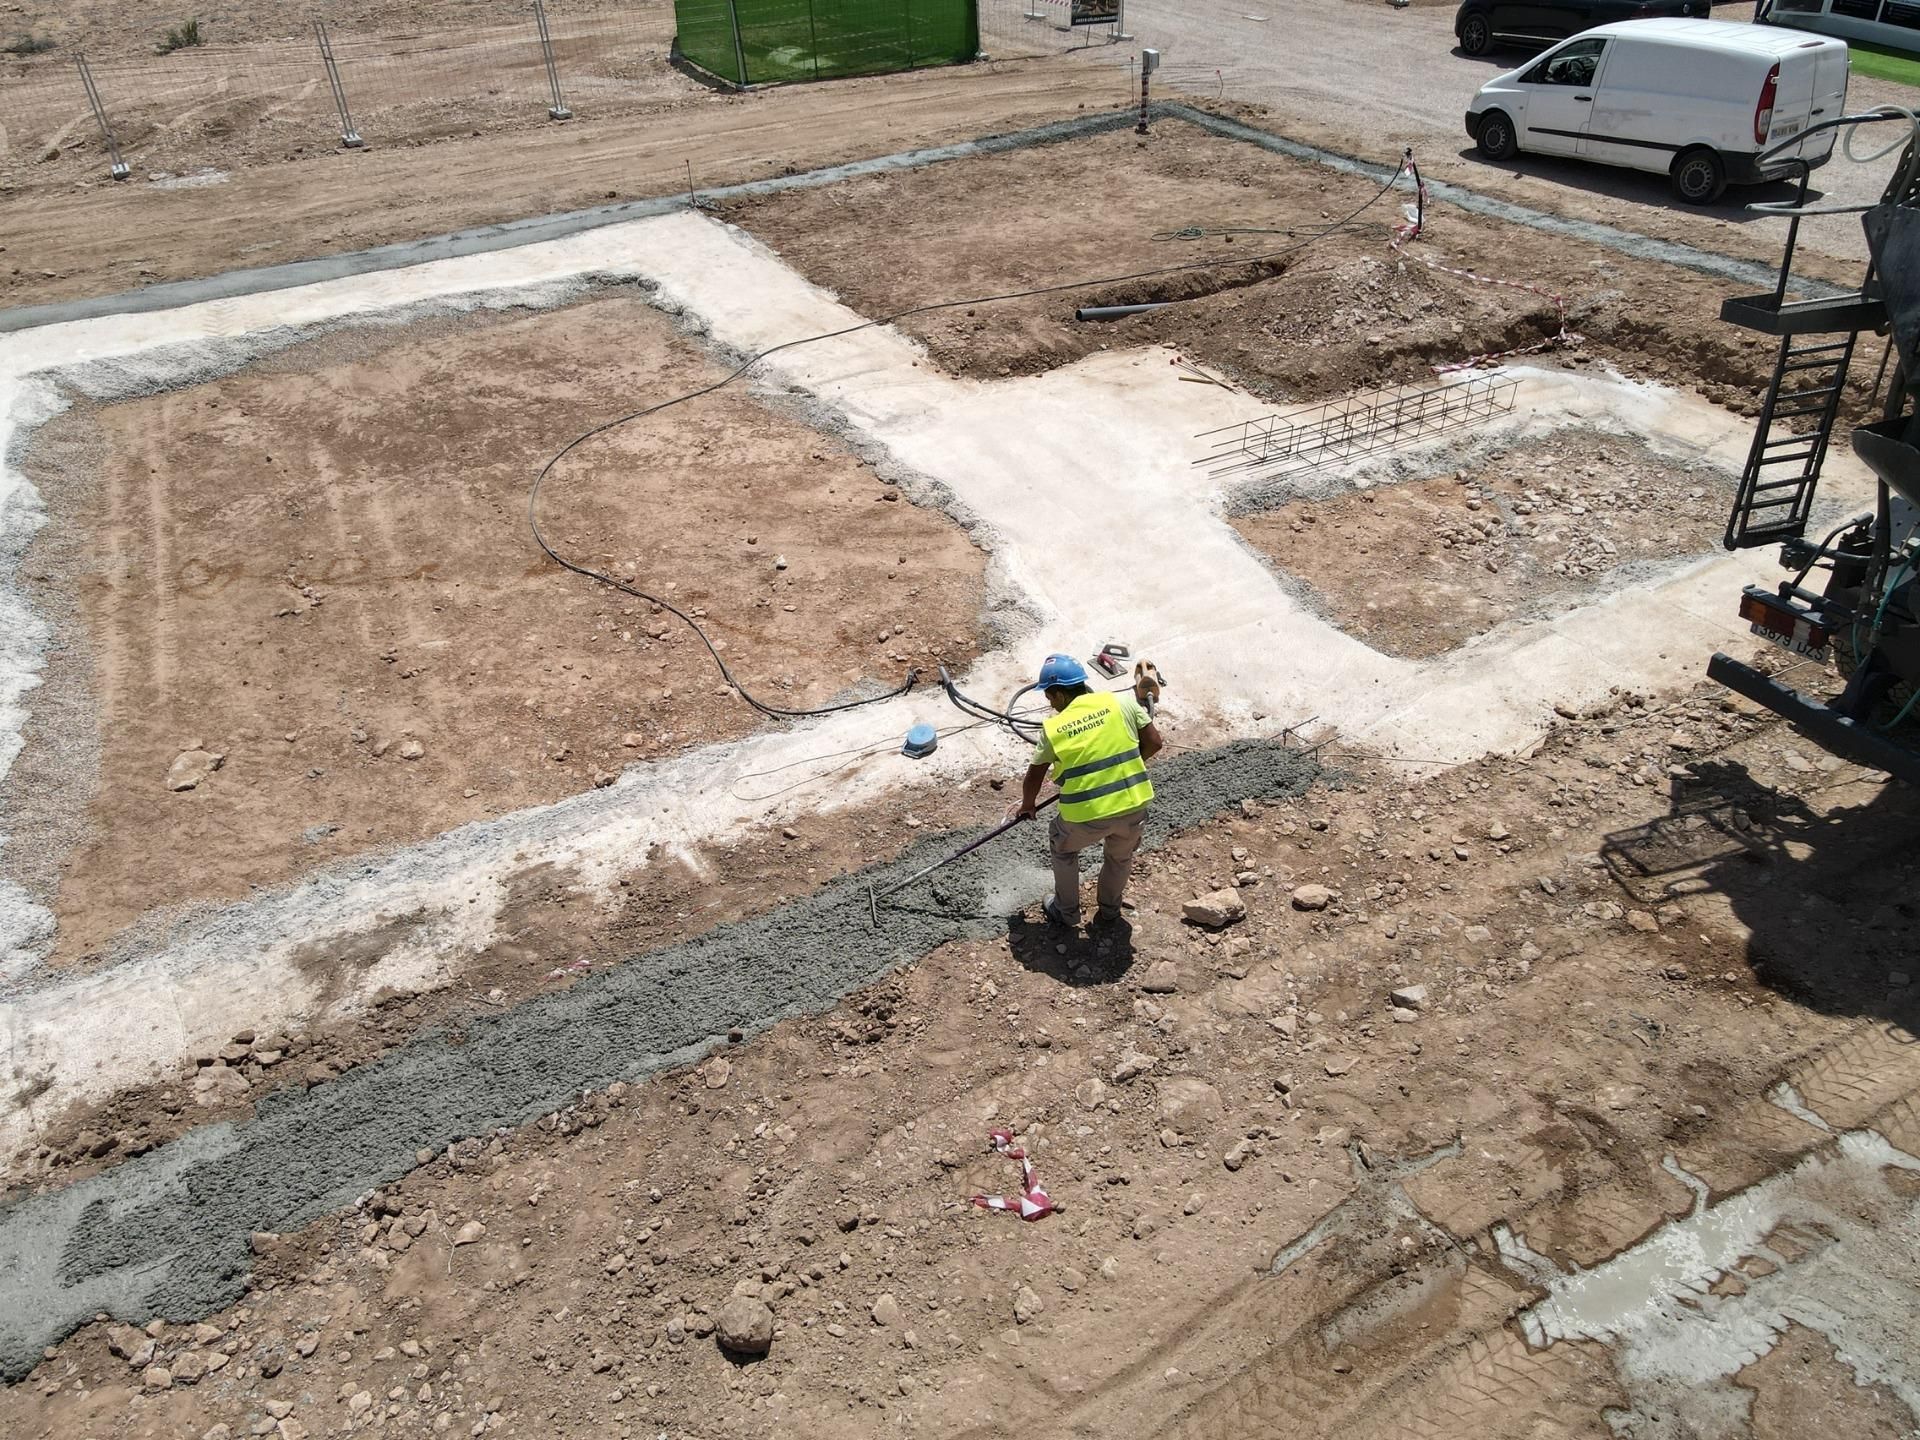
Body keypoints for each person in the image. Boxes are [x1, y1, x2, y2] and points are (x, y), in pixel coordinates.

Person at [1012, 653, 1162, 929]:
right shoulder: (1122, 702)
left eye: (1048, 696)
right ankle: (1109, 911)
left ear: (1057, 694)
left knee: (1063, 849)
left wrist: (1028, 805)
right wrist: (1126, 766)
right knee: (1119, 857)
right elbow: (1154, 741)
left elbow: (1035, 774)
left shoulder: (1054, 728)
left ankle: (1067, 911)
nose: (1049, 703)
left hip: (1086, 814)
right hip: (1133, 804)